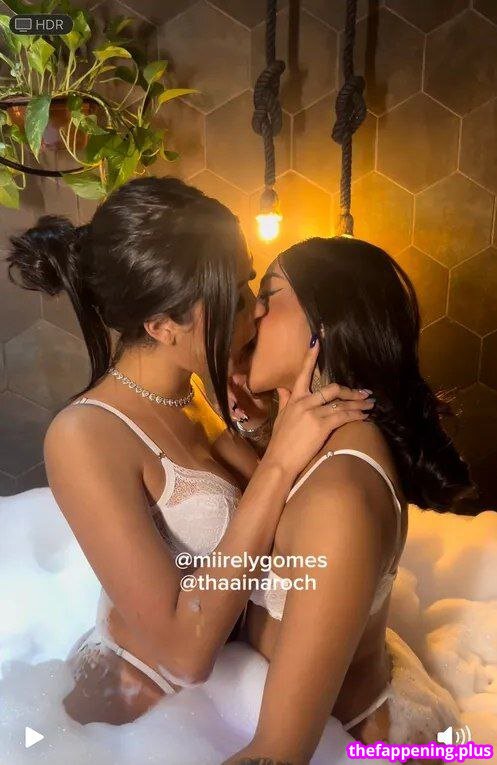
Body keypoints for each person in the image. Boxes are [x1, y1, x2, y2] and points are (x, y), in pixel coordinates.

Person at [5, 178, 373, 726]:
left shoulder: (193, 391)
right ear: (161, 326)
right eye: (233, 298)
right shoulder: (83, 436)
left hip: (224, 702)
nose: (256, 312)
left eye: (248, 282)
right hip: (138, 718)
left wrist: (262, 424)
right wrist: (278, 460)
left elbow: (272, 521)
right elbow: (185, 654)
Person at [225, 237, 473, 764]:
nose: (254, 312)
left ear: (326, 322)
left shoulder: (339, 497)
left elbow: (278, 754)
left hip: (348, 748)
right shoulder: (316, 444)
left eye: (269, 294)